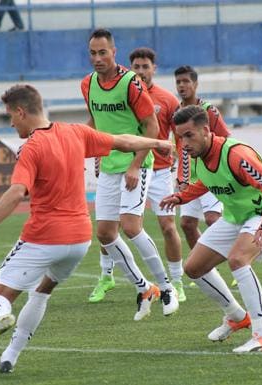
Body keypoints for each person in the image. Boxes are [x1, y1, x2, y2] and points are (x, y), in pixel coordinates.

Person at [0, 84, 174, 373]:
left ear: (21, 112)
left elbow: (16, 192)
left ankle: (2, 316)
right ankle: (10, 355)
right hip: (79, 240)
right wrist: (157, 143)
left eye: (10, 115)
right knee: (42, 291)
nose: (10, 122)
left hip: (44, 237)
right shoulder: (75, 132)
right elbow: (122, 141)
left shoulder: (31, 148)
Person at [160, 105, 262, 353]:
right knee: (193, 268)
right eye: (180, 137)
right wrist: (181, 198)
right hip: (235, 216)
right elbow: (204, 183)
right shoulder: (195, 156)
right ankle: (236, 316)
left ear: (206, 130)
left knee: (238, 259)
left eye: (189, 135)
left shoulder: (236, 154)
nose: (184, 143)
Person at [82, 29, 178, 319]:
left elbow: (151, 127)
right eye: (93, 53)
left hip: (136, 164)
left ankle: (167, 287)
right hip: (109, 166)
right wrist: (93, 150)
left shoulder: (131, 83)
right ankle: (144, 287)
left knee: (131, 226)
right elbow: (95, 120)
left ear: (113, 52)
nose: (98, 58)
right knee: (105, 233)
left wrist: (136, 163)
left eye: (103, 52)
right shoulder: (87, 84)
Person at [174, 65, 230, 250]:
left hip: (211, 174)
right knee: (187, 224)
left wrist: (222, 169)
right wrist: (181, 177)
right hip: (190, 178)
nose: (182, 86)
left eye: (186, 81)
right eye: (178, 82)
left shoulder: (208, 110)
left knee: (213, 219)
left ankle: (237, 261)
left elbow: (226, 139)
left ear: (195, 84)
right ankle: (205, 272)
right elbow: (180, 147)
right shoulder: (177, 113)